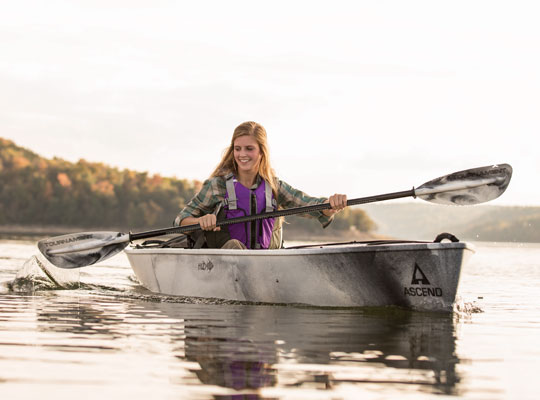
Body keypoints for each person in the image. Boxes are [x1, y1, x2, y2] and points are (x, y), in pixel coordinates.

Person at [174, 121, 347, 249]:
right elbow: (180, 220)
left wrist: (330, 205)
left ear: (261, 152)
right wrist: (200, 220)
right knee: (234, 245)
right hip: (226, 262)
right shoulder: (217, 185)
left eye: (249, 148)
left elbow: (307, 205)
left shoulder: (274, 186)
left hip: (267, 265)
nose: (242, 154)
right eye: (237, 148)